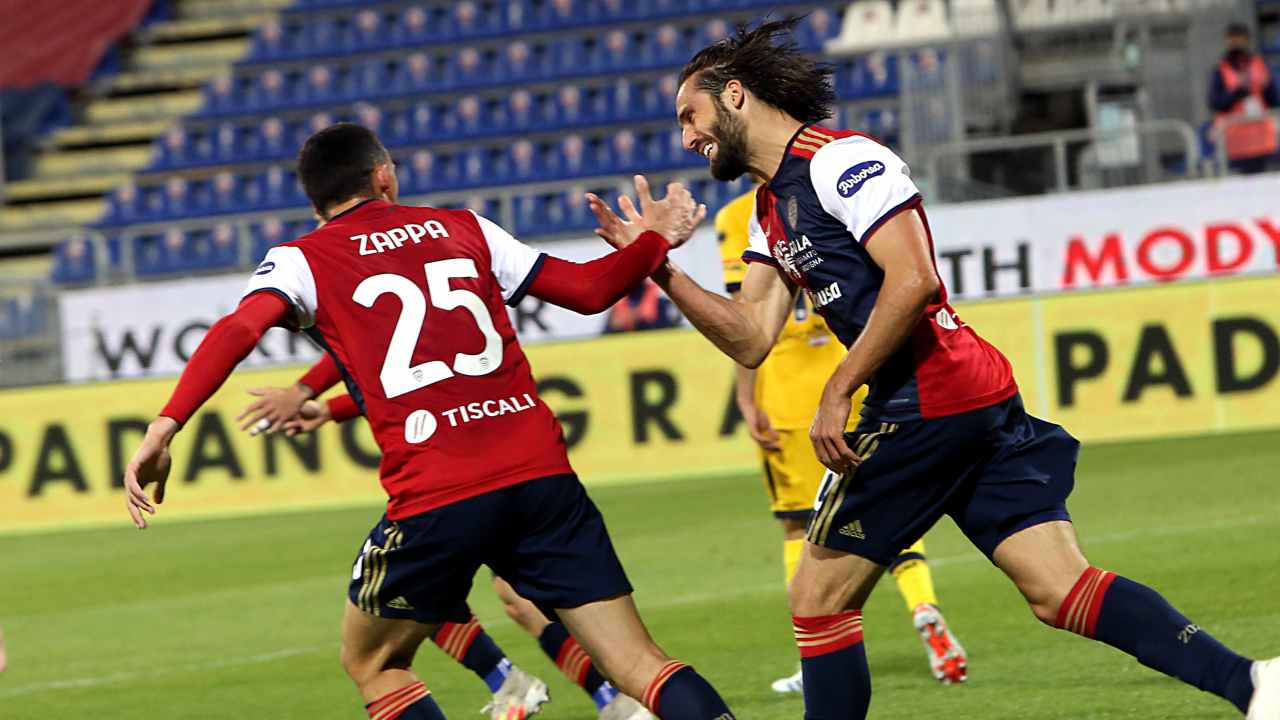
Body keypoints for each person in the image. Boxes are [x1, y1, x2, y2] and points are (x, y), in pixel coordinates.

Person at [585, 19, 1278, 719]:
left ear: (735, 95)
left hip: (928, 397)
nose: (686, 139)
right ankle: (1254, 685)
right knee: (1058, 589)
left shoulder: (840, 161)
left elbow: (912, 278)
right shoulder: (768, 210)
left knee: (817, 598)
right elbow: (750, 338)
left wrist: (837, 388)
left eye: (690, 116)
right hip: (961, 399)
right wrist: (657, 263)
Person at [122, 123, 736, 720]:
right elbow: (588, 291)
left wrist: (166, 424)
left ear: (315, 202)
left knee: (374, 662)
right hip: (540, 477)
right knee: (640, 662)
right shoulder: (463, 227)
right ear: (383, 176)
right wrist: (654, 239)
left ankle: (507, 684)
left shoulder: (301, 259)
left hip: (438, 493)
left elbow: (238, 328)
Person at [238, 358, 656, 720]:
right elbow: (381, 378)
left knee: (411, 598)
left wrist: (303, 391)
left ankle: (520, 682)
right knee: (512, 599)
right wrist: (331, 408)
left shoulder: (349, 298)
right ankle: (600, 697)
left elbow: (357, 360)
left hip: (457, 472)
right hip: (485, 459)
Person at [717, 189, 966, 693]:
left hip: (787, 391)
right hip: (850, 377)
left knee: (797, 526)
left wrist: (747, 399)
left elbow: (747, 313)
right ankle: (924, 608)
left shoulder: (739, 217)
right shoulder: (827, 191)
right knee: (884, 511)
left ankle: (814, 660)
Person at [1209, 23, 1279, 174]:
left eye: (1238, 37)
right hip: (1235, 145)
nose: (1234, 42)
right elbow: (1215, 102)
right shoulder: (1220, 69)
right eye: (1231, 38)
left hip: (1263, 143)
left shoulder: (1260, 64)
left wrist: (1266, 87)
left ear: (1247, 39)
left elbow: (1274, 100)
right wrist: (1237, 92)